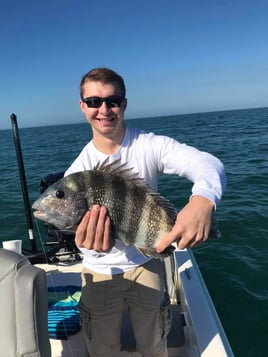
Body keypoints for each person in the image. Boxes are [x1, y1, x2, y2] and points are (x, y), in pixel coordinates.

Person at [64, 67, 226, 357]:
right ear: (82, 106)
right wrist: (86, 243)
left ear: (124, 104)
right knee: (102, 349)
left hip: (146, 260)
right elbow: (77, 231)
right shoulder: (77, 172)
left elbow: (207, 163)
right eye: (93, 102)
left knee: (154, 344)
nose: (104, 109)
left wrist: (202, 200)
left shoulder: (149, 144)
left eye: (112, 100)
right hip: (99, 271)